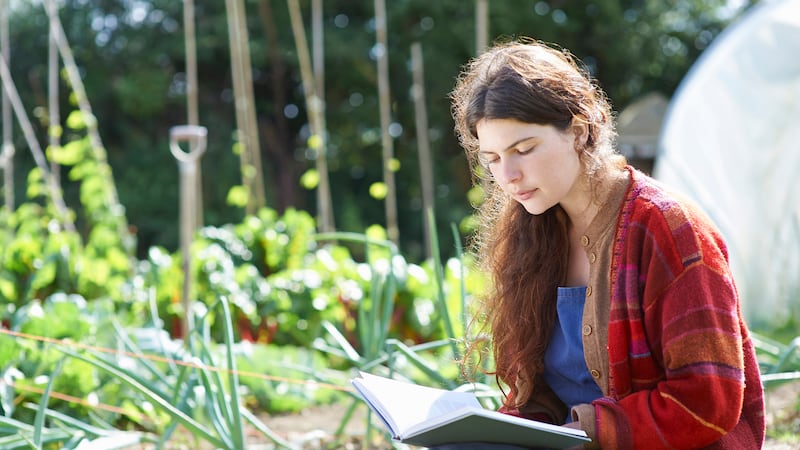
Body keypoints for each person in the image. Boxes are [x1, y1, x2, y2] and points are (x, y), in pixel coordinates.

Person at [443, 38, 766, 449]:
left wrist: (585, 431)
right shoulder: (535, 236)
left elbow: (708, 400)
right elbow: (538, 395)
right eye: (491, 158)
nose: (507, 175)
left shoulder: (667, 227)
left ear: (578, 131)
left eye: (523, 149)